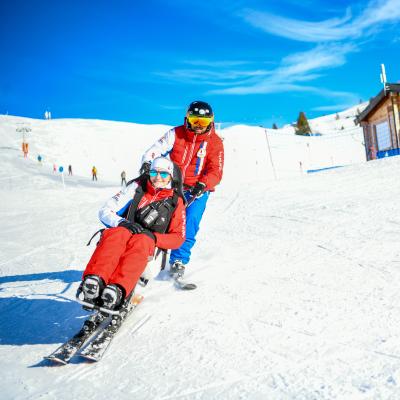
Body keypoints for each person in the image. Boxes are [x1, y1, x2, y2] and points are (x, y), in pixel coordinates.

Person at [80, 157, 186, 310]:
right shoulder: (136, 188)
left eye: (163, 174)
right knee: (116, 234)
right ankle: (95, 280)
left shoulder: (175, 202)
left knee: (141, 241)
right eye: (154, 173)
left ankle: (118, 289)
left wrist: (154, 237)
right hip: (126, 233)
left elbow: (178, 238)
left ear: (171, 176)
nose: (158, 178)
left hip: (149, 246)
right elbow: (105, 211)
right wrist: (121, 222)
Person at [141, 100, 224, 278]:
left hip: (197, 190)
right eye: (195, 120)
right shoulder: (176, 133)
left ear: (211, 121)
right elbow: (155, 149)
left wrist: (204, 184)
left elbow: (216, 170)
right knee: (157, 217)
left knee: (190, 221)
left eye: (204, 122)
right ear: (187, 118)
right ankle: (145, 254)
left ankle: (178, 260)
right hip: (173, 186)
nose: (199, 126)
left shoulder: (215, 142)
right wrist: (148, 163)